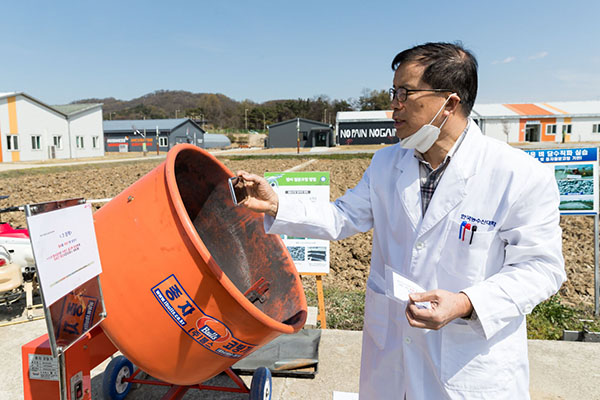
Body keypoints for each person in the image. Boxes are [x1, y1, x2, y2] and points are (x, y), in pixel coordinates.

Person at [236, 42, 566, 399]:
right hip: (393, 355)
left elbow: (541, 268)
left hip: (467, 363)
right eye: (394, 92)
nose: (394, 105)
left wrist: (467, 303)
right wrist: (276, 205)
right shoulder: (387, 164)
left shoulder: (519, 175)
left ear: (449, 103)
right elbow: (343, 216)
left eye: (406, 93)